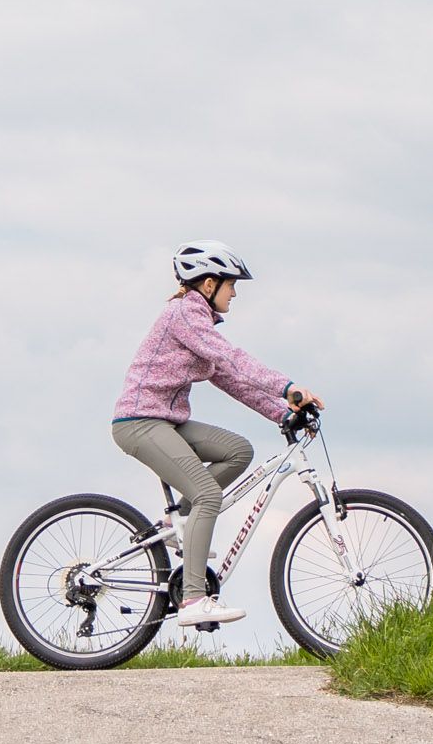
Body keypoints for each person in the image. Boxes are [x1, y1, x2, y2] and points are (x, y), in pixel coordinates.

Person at [112, 241, 322, 631]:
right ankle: (193, 598)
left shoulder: (199, 323)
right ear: (208, 284)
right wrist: (287, 386)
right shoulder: (185, 314)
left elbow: (231, 380)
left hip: (165, 420)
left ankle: (177, 527)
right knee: (208, 493)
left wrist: (282, 412)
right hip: (140, 422)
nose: (236, 292)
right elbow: (233, 359)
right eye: (231, 284)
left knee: (237, 450)